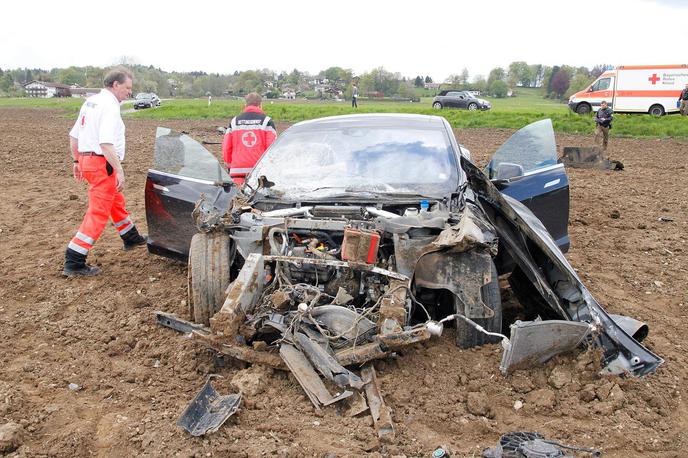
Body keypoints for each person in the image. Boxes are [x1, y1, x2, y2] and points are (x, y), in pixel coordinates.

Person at [63, 67, 147, 277]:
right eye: (127, 88)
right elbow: (106, 143)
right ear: (115, 85)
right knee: (99, 210)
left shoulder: (90, 102)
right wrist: (119, 169)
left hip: (87, 160)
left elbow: (74, 136)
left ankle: (130, 236)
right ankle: (74, 259)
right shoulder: (110, 106)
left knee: (114, 199)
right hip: (103, 163)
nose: (129, 92)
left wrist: (76, 160)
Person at [222, 92, 277, 184]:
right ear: (260, 105)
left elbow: (226, 147)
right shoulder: (267, 122)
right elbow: (272, 148)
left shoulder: (234, 121)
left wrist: (229, 165)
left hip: (237, 172)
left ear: (245, 105)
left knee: (239, 198)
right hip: (259, 171)